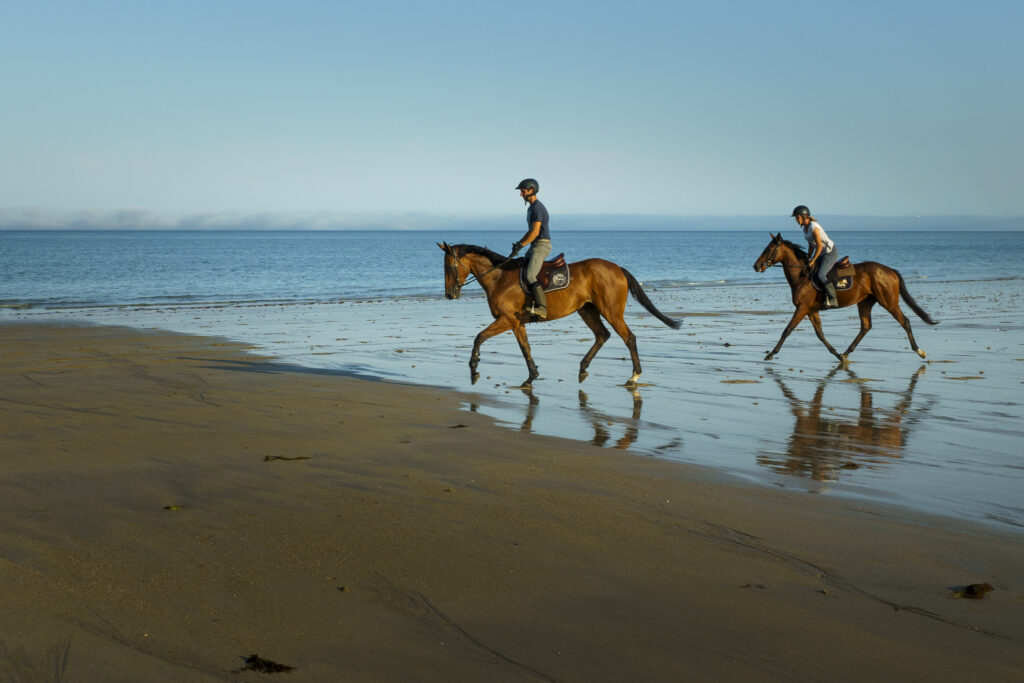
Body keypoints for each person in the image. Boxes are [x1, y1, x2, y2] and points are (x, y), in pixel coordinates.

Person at [511, 178, 551, 318]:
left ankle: (542, 308)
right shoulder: (531, 208)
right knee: (520, 269)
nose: (521, 194)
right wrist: (519, 243)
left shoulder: (537, 208)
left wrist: (522, 245)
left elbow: (535, 233)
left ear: (531, 190)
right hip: (534, 245)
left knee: (530, 275)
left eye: (523, 191)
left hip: (541, 245)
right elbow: (530, 232)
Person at [792, 205, 838, 308]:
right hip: (821, 252)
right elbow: (811, 245)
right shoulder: (805, 229)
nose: (796, 220)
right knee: (811, 271)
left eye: (797, 217)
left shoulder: (813, 226)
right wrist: (808, 257)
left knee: (821, 275)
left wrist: (813, 259)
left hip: (830, 251)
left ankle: (833, 298)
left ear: (803, 216)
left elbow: (819, 246)